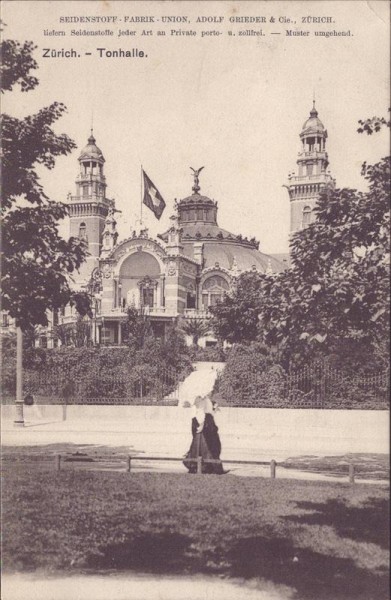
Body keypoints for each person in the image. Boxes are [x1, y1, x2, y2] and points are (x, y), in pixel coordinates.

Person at [183, 395, 227, 474]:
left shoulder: (200, 400)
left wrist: (214, 409)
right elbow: (202, 413)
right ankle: (208, 466)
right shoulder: (203, 400)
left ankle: (199, 466)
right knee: (208, 445)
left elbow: (204, 412)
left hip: (202, 422)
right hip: (205, 423)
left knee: (202, 444)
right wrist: (202, 425)